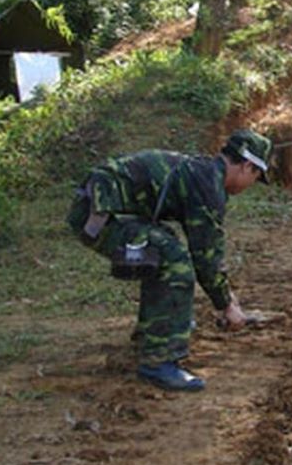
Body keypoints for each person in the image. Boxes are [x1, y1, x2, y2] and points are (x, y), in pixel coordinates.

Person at [66, 129, 271, 391]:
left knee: (164, 244)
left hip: (101, 209)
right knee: (173, 261)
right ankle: (158, 361)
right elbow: (206, 256)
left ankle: (151, 332)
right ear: (246, 166)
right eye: (255, 177)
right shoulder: (208, 185)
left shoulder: (203, 172)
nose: (251, 184)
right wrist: (226, 304)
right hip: (98, 216)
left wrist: (225, 298)